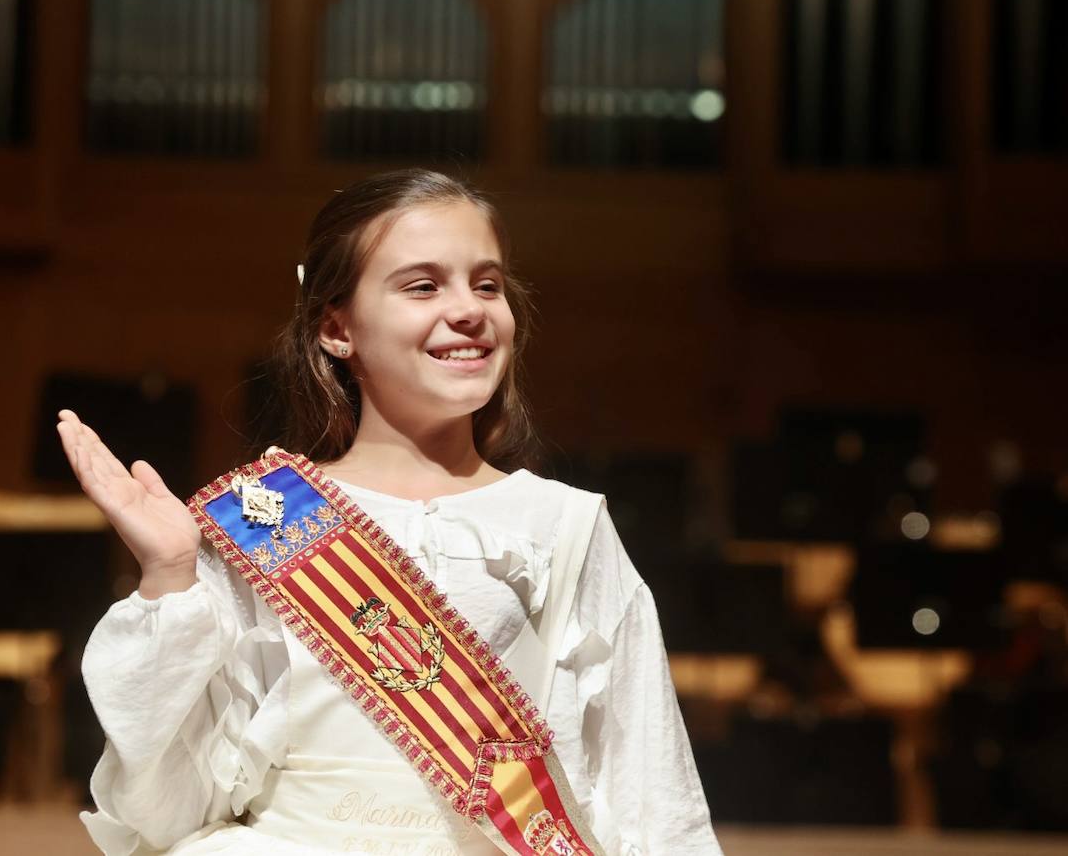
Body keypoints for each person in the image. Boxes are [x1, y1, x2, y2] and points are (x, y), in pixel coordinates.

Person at [56, 168, 722, 855]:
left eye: (487, 283)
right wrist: (169, 576)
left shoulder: (565, 524)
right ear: (337, 328)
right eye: (423, 285)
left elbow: (648, 783)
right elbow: (168, 807)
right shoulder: (266, 518)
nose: (468, 308)